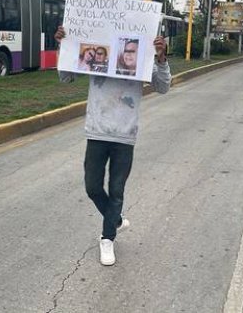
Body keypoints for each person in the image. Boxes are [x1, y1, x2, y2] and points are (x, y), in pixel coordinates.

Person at [55, 25, 171, 266]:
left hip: (125, 135)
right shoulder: (99, 53)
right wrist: (64, 46)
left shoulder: (141, 57)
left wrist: (160, 57)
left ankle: (107, 237)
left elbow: (163, 87)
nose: (126, 52)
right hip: (97, 132)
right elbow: (66, 77)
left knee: (117, 190)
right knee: (92, 187)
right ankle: (115, 218)